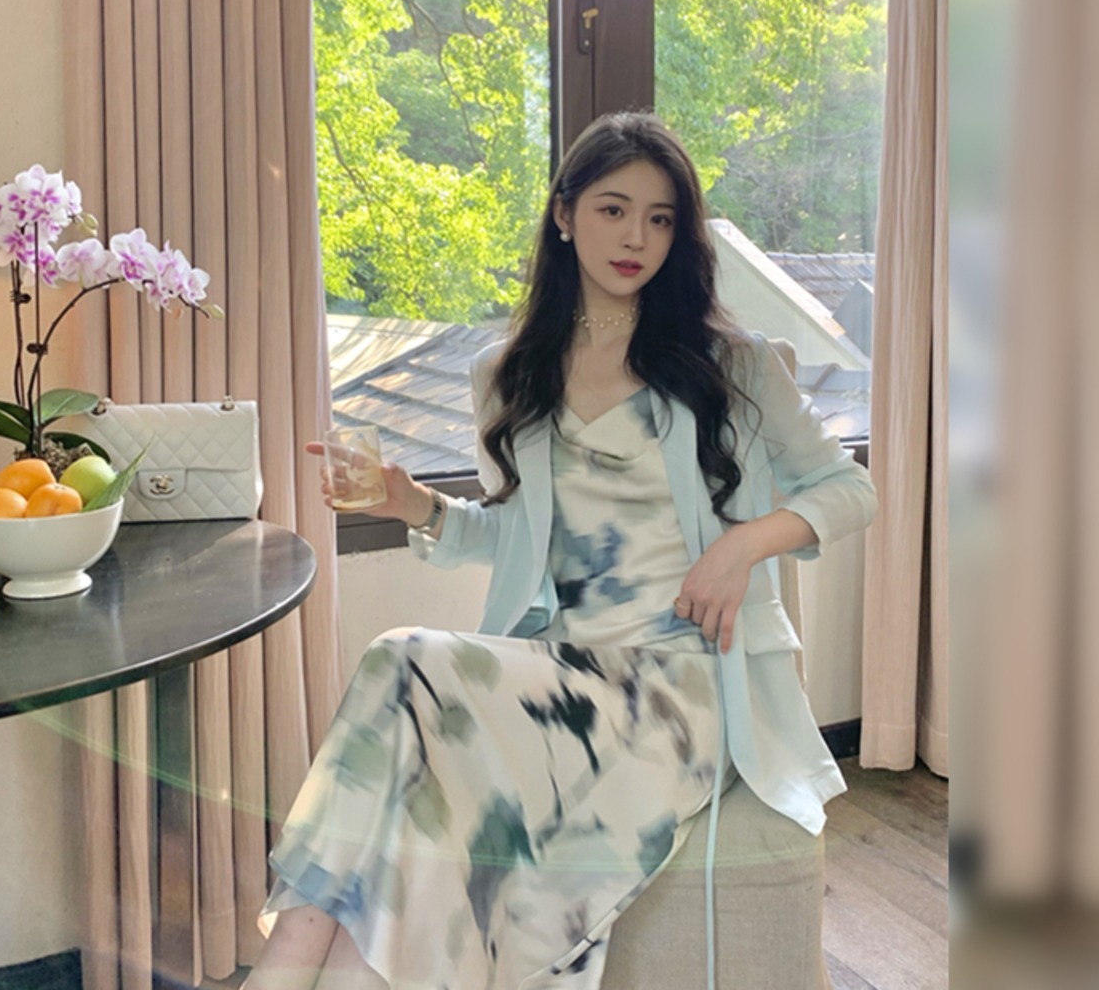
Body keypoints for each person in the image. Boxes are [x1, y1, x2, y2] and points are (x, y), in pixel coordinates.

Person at [245, 112, 877, 990]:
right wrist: (409, 504)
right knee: (403, 810)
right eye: (614, 209)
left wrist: (745, 545)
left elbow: (851, 489)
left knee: (401, 662)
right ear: (564, 214)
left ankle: (279, 966)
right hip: (561, 675)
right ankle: (299, 969)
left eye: (660, 219)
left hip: (679, 691)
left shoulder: (731, 365)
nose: (636, 237)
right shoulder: (510, 375)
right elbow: (516, 538)